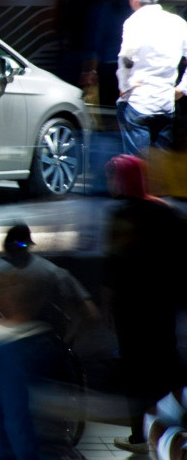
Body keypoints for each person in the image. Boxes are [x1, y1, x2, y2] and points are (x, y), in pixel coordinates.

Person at [103, 154, 187, 454]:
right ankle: (170, 430)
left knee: (135, 373)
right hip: (162, 307)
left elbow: (113, 268)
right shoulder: (167, 212)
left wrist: (108, 306)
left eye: (112, 176)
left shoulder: (122, 216)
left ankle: (140, 436)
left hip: (131, 310)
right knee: (165, 367)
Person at [0, 223, 99, 339]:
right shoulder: (49, 270)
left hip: (21, 339)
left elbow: (90, 311)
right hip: (33, 339)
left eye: (20, 245)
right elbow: (90, 311)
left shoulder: (49, 271)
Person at [115, 0, 187, 156]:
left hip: (138, 102)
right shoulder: (178, 23)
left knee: (136, 166)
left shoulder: (134, 22)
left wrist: (124, 86)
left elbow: (125, 58)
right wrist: (182, 89)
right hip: (166, 102)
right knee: (161, 166)